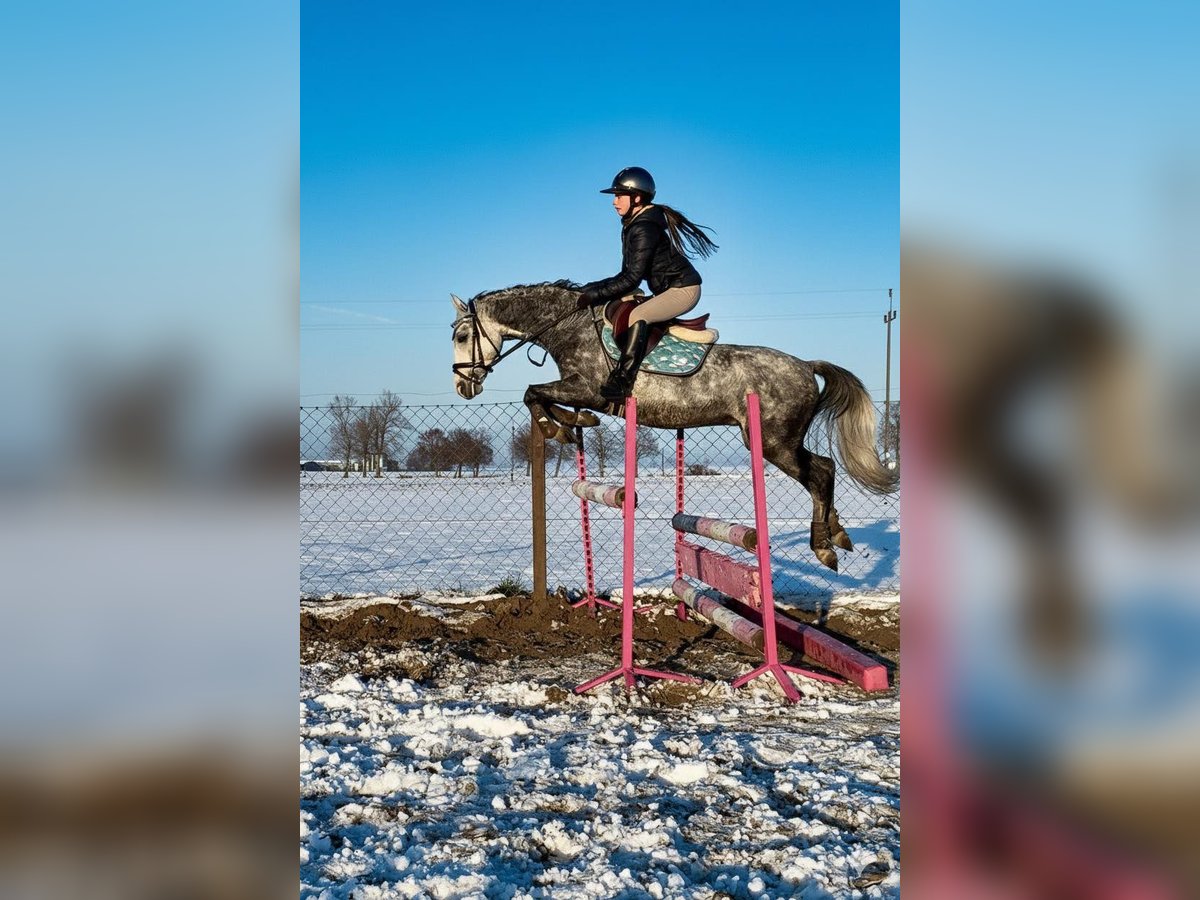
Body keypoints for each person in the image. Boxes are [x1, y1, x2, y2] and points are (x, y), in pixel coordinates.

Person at [577, 167, 718, 402]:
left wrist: (595, 294)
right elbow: (626, 274)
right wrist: (590, 289)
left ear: (637, 198)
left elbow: (632, 279)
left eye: (619, 196)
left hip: (684, 290)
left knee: (638, 315)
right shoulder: (634, 224)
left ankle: (623, 380)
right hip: (668, 289)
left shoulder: (643, 227)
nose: (614, 202)